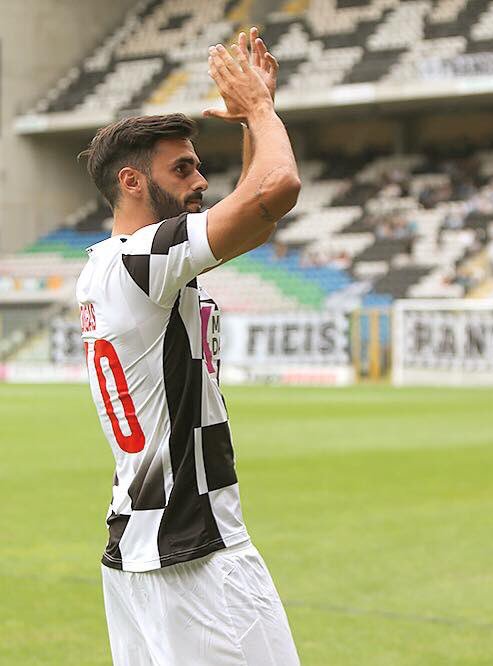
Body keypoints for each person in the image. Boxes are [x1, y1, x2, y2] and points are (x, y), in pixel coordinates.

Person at [76, 28, 301, 665]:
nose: (200, 180)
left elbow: (255, 215)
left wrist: (254, 121)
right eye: (182, 169)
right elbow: (276, 189)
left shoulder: (112, 265)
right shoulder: (145, 259)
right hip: (195, 555)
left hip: (140, 551)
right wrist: (259, 109)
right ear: (131, 181)